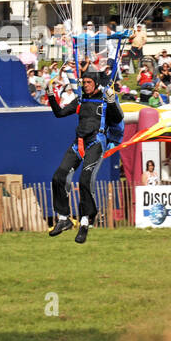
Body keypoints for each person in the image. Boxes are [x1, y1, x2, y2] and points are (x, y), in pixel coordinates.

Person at [48, 71, 123, 244]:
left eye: (89, 82)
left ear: (96, 83)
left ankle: (85, 221)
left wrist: (112, 101)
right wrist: (51, 95)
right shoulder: (81, 100)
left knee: (85, 180)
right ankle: (63, 218)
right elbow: (59, 113)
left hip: (96, 142)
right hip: (79, 142)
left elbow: (118, 118)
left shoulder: (104, 100)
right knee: (58, 176)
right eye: (84, 82)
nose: (86, 85)